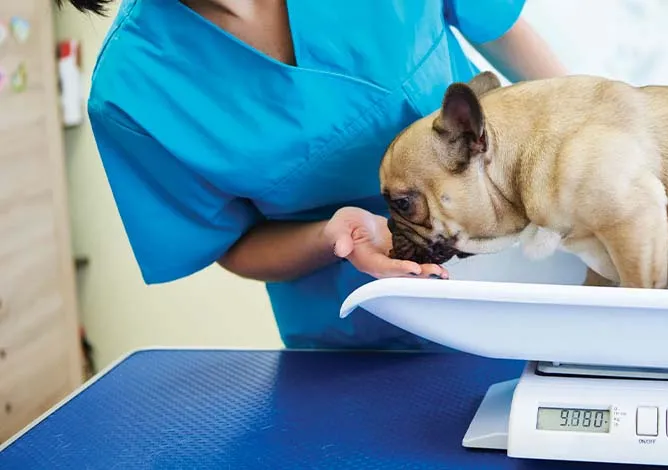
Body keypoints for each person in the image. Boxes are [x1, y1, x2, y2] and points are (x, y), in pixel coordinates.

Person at [60, 0, 567, 350]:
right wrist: (332, 237)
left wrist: (614, 149)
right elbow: (231, 245)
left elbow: (510, 36)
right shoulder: (132, 91)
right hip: (361, 340)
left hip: (528, 276)